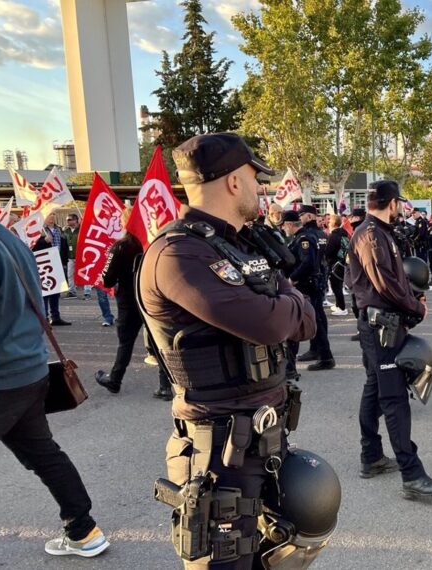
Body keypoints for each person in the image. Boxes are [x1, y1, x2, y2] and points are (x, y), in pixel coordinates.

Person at [138, 133, 320, 568]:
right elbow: (272, 323)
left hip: (264, 439)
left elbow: (306, 321)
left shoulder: (240, 244)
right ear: (234, 181)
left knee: (277, 555)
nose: (261, 187)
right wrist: (285, 303)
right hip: (219, 452)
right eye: (255, 178)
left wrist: (284, 305)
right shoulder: (178, 253)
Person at [0, 222, 109, 558]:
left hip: (3, 375)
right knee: (44, 455)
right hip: (30, 369)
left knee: (44, 455)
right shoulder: (10, 239)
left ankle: (84, 530)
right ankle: (84, 530)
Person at [348, 180, 432, 499]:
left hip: (382, 322)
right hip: (381, 326)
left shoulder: (377, 232)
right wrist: (416, 307)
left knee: (375, 389)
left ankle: (371, 456)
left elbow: (395, 279)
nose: (401, 208)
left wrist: (413, 299)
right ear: (391, 203)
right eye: (399, 203)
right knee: (394, 400)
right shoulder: (372, 235)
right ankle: (412, 475)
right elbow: (386, 284)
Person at [95, 212, 172, 400]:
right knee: (158, 341)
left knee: (126, 343)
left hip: (129, 301)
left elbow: (107, 279)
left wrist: (104, 275)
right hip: (153, 299)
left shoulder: (121, 247)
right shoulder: (156, 243)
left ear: (125, 223)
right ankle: (165, 386)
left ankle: (115, 379)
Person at [283, 205, 336, 371]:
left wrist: (292, 278)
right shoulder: (309, 235)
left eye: (284, 225)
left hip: (307, 284)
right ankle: (323, 355)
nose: (283, 229)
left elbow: (308, 263)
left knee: (310, 321)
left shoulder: (304, 238)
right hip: (313, 282)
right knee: (316, 319)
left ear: (289, 224)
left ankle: (323, 358)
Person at [33, 212, 71, 326]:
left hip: (58, 262)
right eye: (49, 216)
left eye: (53, 217)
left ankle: (56, 317)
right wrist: (44, 241)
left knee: (56, 291)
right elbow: (33, 246)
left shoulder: (59, 230)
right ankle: (44, 317)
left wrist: (64, 261)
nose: (51, 219)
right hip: (45, 263)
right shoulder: (39, 230)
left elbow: (64, 246)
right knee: (45, 290)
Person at [324, 214, 350, 317]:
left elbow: (328, 252)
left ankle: (342, 308)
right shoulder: (344, 233)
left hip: (334, 264)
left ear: (333, 223)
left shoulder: (333, 236)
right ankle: (338, 305)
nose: (328, 223)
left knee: (336, 287)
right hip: (342, 263)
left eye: (329, 221)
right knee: (338, 285)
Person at [63, 213, 81, 298]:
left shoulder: (82, 229)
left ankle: (87, 292)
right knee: (70, 274)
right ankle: (72, 291)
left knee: (84, 274)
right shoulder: (66, 231)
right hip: (70, 256)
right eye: (67, 220)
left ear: (75, 220)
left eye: (69, 219)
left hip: (81, 256)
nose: (67, 221)